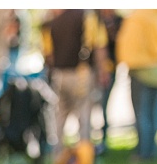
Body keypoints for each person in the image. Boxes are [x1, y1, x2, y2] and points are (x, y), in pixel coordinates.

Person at [40, 10, 109, 153]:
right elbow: (98, 45)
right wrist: (102, 70)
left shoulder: (52, 22)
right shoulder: (87, 17)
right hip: (81, 73)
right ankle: (84, 156)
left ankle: (56, 153)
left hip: (59, 74)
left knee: (60, 115)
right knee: (84, 115)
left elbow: (48, 55)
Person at [117, 9, 157, 163]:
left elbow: (128, 43)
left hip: (142, 70)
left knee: (142, 114)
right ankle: (152, 150)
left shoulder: (138, 17)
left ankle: (143, 153)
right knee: (155, 113)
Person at [95, 9, 124, 156]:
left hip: (110, 68)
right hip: (94, 70)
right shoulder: (94, 17)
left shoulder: (119, 20)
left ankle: (103, 140)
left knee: (104, 105)